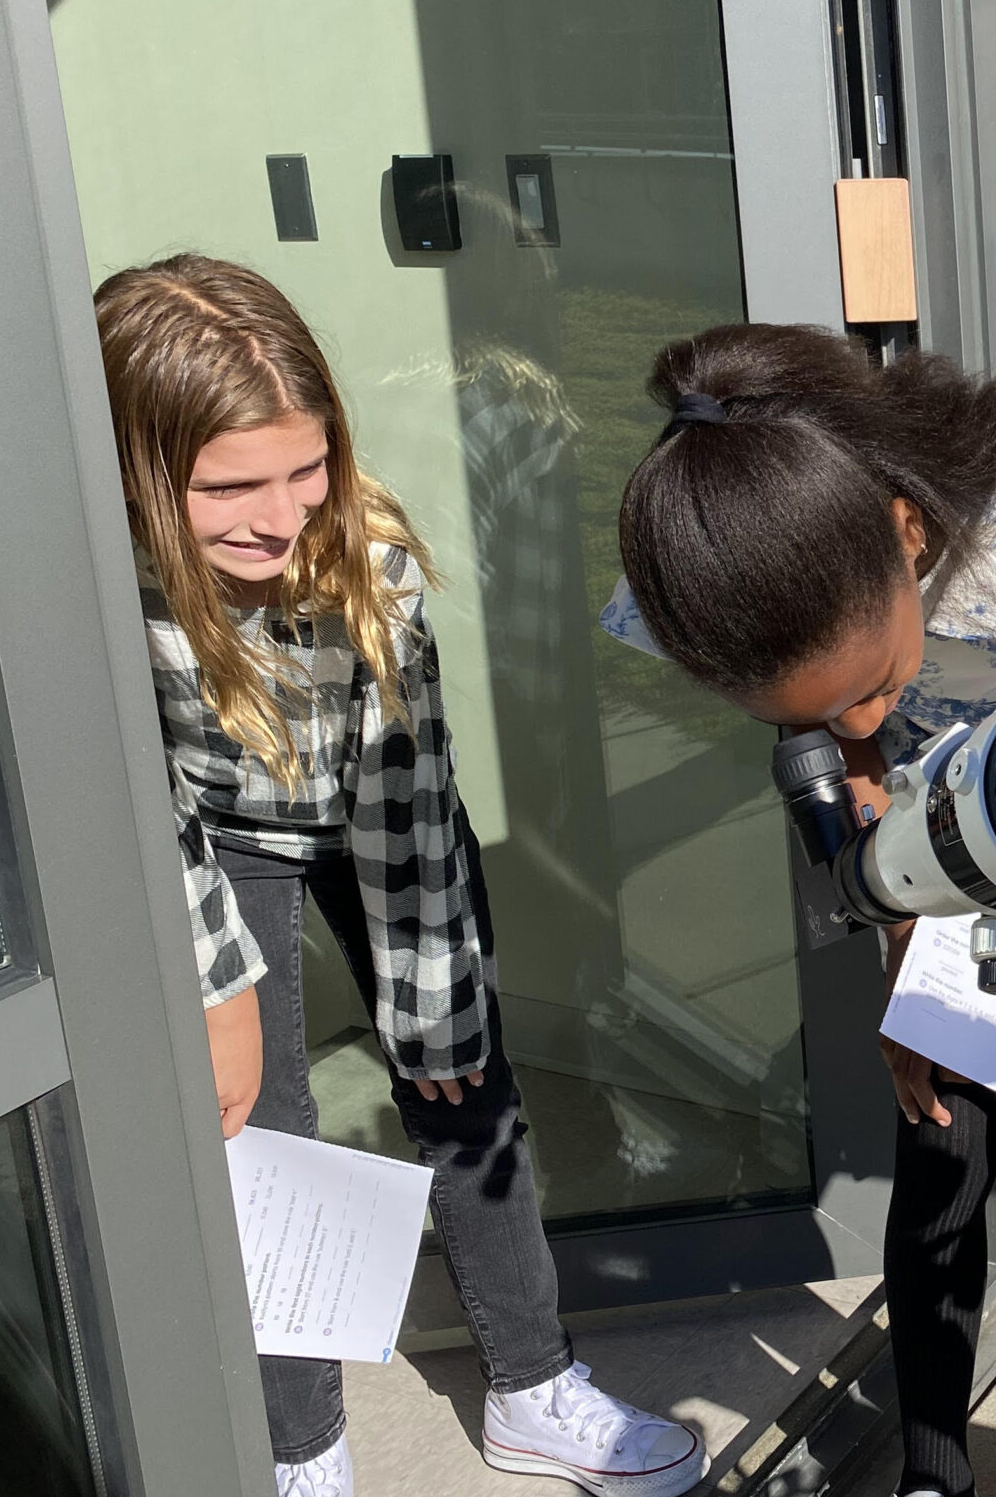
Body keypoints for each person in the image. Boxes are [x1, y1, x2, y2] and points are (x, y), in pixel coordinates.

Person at [93, 256, 706, 1497]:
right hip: (210, 839)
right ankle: (301, 1451)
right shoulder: (96, 584)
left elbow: (407, 788)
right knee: (262, 1136)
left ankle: (533, 1386)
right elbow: (133, 801)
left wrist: (431, 1010)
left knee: (465, 1079)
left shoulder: (359, 555)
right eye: (230, 486)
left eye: (304, 468)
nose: (279, 515)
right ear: (137, 471)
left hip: (375, 816)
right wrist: (218, 991)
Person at [606, 324, 996, 1497]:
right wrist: (905, 949)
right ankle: (930, 1471)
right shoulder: (723, 577)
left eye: (867, 684)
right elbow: (840, 748)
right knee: (942, 1135)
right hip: (931, 822)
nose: (848, 717)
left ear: (908, 536)